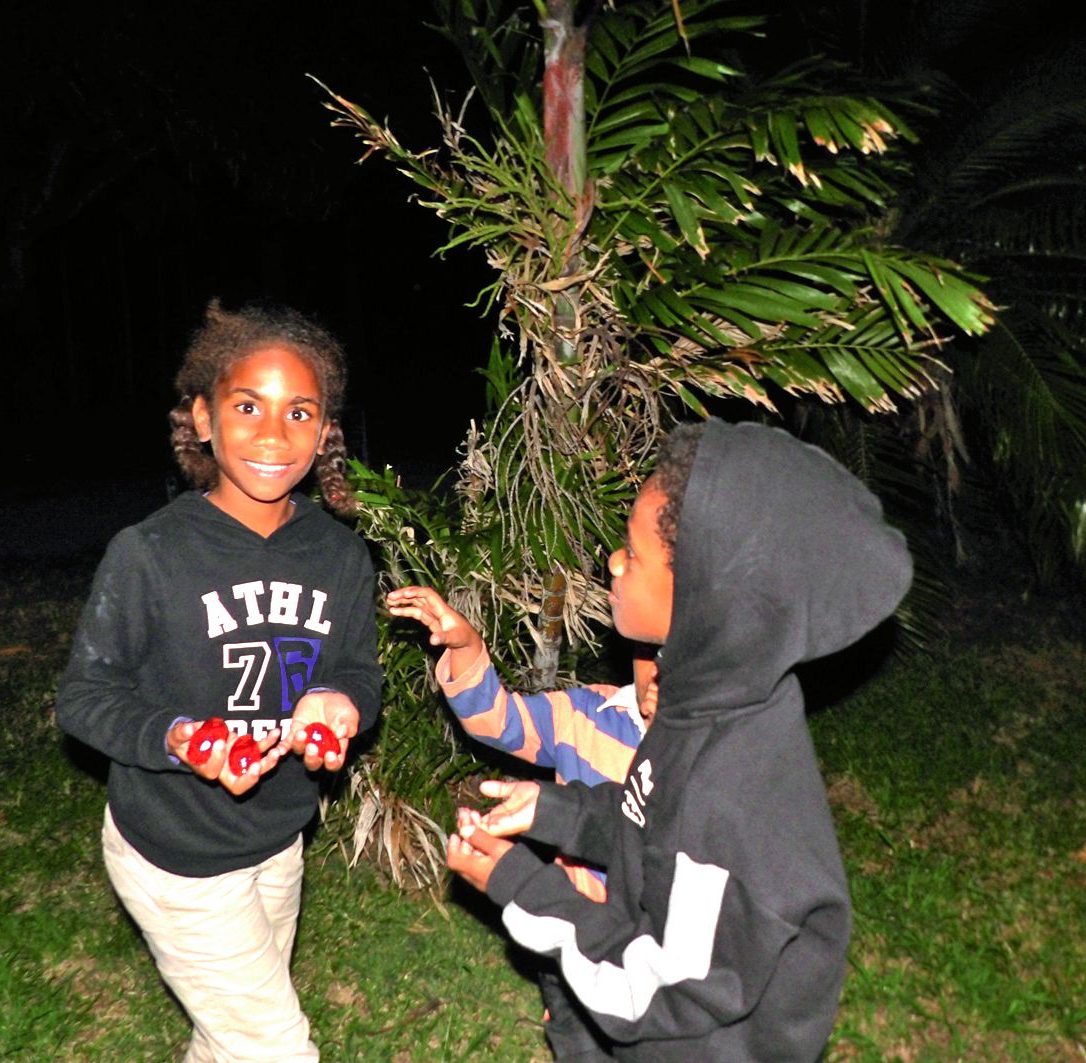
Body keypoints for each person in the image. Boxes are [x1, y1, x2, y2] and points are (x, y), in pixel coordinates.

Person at [447, 418, 913, 1062]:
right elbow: (654, 824)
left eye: (633, 555)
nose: (613, 562)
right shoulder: (706, 705)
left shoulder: (734, 791)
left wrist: (522, 885)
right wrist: (556, 811)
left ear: (705, 601)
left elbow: (656, 991)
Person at [56, 300, 383, 1063]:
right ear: (202, 418)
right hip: (174, 849)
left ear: (325, 429)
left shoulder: (337, 555)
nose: (274, 434)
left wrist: (340, 703)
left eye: (300, 411)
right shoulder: (149, 553)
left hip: (277, 833)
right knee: (274, 1047)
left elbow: (355, 670)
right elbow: (85, 696)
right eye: (247, 406)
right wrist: (178, 736)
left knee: (228, 1034)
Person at [384, 583, 658, 1059]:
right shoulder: (587, 713)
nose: (660, 669)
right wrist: (467, 648)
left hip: (656, 945)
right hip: (570, 926)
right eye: (651, 649)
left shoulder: (717, 755)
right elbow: (499, 721)